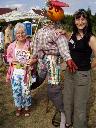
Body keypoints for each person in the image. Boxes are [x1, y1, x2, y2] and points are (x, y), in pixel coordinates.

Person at [33, 0, 77, 127]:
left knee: (53, 89)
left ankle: (63, 112)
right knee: (36, 78)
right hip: (41, 62)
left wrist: (68, 58)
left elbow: (63, 45)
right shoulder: (40, 32)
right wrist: (33, 58)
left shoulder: (57, 31)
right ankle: (28, 90)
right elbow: (36, 47)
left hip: (53, 60)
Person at [63, 9, 96, 128]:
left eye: (83, 19)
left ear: (87, 21)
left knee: (79, 106)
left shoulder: (91, 38)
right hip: (69, 73)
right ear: (74, 21)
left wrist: (88, 67)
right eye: (78, 19)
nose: (80, 22)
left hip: (82, 75)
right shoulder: (72, 34)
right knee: (67, 100)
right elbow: (64, 39)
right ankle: (68, 122)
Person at [6, 23, 37, 117]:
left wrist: (32, 61)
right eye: (18, 33)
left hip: (26, 73)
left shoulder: (30, 45)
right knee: (16, 91)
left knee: (26, 91)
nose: (20, 35)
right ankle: (19, 107)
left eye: (22, 32)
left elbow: (36, 57)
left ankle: (26, 107)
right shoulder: (11, 46)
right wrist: (12, 60)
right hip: (15, 73)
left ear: (26, 32)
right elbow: (8, 57)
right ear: (15, 34)